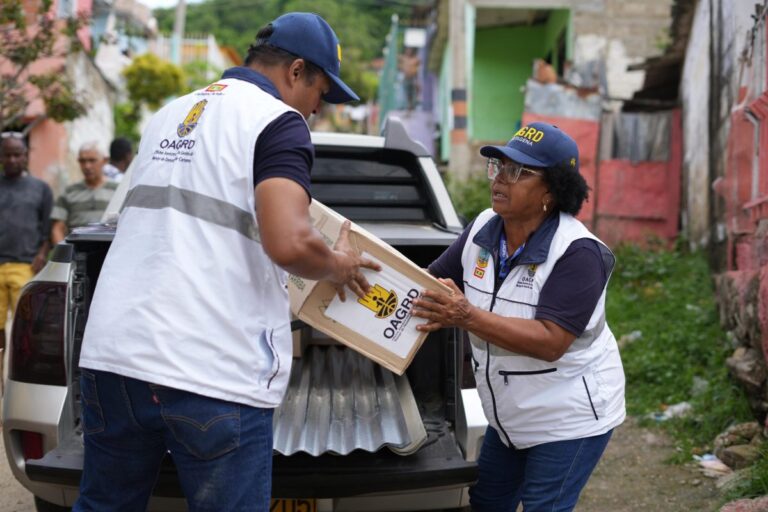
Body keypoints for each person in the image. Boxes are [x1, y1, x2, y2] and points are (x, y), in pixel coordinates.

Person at [73, 12, 379, 512]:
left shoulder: (169, 114)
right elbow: (290, 243)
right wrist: (339, 265)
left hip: (115, 361)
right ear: (296, 71)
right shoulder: (279, 122)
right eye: (322, 92)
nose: (318, 110)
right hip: (209, 371)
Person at [412, 122, 625, 512]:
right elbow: (428, 282)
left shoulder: (579, 253)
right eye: (499, 167)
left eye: (519, 172)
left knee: (545, 505)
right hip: (509, 416)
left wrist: (466, 316)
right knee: (488, 502)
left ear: (553, 189)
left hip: (568, 418)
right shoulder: (482, 230)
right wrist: (359, 269)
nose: (501, 180)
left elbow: (550, 341)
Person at [0, 134, 53, 364]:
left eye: (17, 154)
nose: (12, 159)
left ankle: (20, 375)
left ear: (25, 156)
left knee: (26, 327)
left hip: (25, 266)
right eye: (7, 155)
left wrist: (42, 254)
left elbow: (48, 227)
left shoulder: (40, 189)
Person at [50, 142, 117, 244]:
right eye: (82, 161)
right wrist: (64, 252)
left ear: (105, 161)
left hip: (109, 253)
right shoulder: (69, 192)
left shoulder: (117, 190)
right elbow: (57, 228)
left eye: (92, 160)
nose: (87, 166)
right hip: (77, 254)